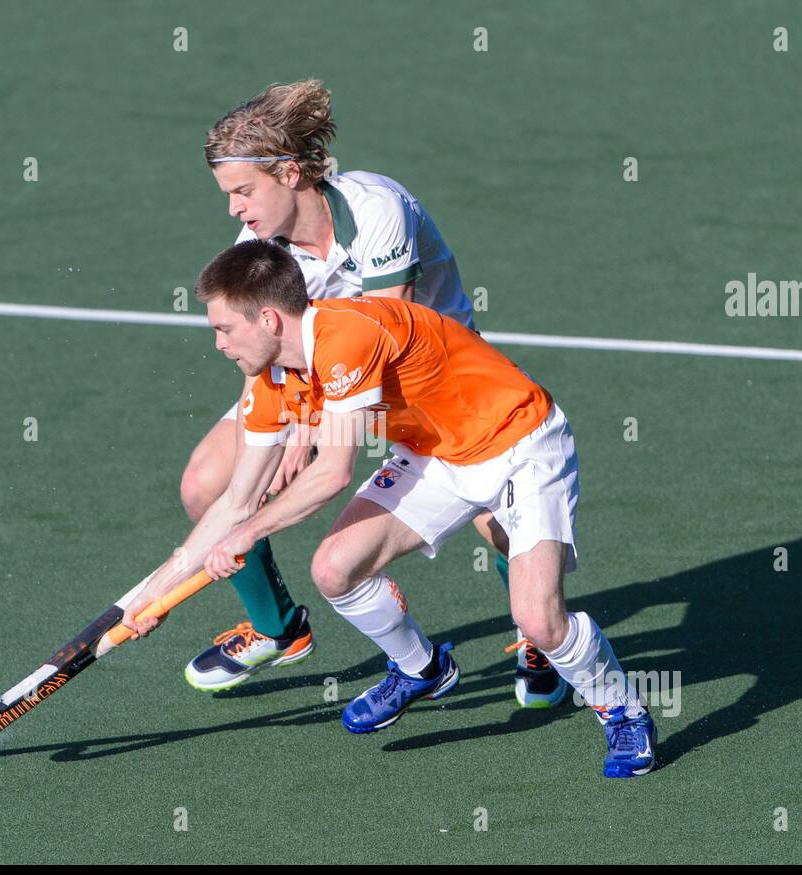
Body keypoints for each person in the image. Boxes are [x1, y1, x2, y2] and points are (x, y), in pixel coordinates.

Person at [126, 240, 656, 778]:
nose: (217, 343)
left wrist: (247, 535)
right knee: (335, 569)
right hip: (433, 454)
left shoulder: (346, 339)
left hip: (520, 443)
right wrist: (154, 594)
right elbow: (236, 501)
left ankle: (623, 713)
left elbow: (331, 473)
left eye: (223, 329)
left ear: (267, 318)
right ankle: (421, 669)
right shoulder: (270, 381)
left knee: (539, 620)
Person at [181, 80, 563, 709]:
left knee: (500, 523)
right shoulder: (257, 250)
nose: (234, 211)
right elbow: (263, 355)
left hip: (433, 379)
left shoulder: (376, 208)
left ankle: (537, 636)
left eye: (243, 192)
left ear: (293, 173)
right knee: (206, 485)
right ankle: (280, 629)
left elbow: (381, 339)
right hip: (317, 377)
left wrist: (306, 433)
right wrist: (275, 434)